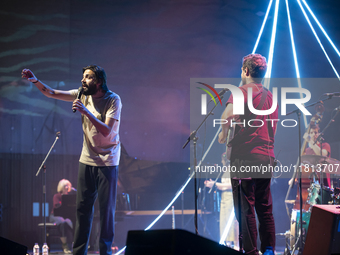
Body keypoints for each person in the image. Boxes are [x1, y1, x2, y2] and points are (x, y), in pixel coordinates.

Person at [22, 65, 122, 255]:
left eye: (88, 77)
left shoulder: (113, 100)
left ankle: (105, 252)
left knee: (106, 212)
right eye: (83, 77)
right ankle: (78, 253)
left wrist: (86, 112)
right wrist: (35, 80)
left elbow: (107, 131)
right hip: (87, 160)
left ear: (99, 81)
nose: (83, 80)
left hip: (108, 162)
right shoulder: (81, 94)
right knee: (82, 211)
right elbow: (51, 92)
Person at [217, 54, 277, 255]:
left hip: (245, 158)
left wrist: (223, 134)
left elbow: (227, 115)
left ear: (246, 71)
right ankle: (268, 251)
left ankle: (250, 252)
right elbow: (272, 129)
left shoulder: (241, 91)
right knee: (265, 208)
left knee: (245, 208)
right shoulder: (270, 96)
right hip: (266, 158)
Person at [204, 152, 238, 248]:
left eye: (222, 159)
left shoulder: (233, 169)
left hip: (231, 199)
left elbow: (232, 185)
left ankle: (236, 246)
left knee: (231, 223)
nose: (221, 161)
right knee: (224, 222)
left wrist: (215, 184)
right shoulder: (225, 170)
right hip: (223, 199)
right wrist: (213, 184)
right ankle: (227, 245)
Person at [50, 179, 74, 254]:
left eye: (68, 185)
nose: (67, 187)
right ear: (61, 187)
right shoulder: (57, 196)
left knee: (74, 223)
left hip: (66, 217)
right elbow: (57, 207)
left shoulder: (70, 196)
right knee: (63, 223)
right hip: (55, 216)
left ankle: (75, 244)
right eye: (65, 185)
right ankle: (65, 245)